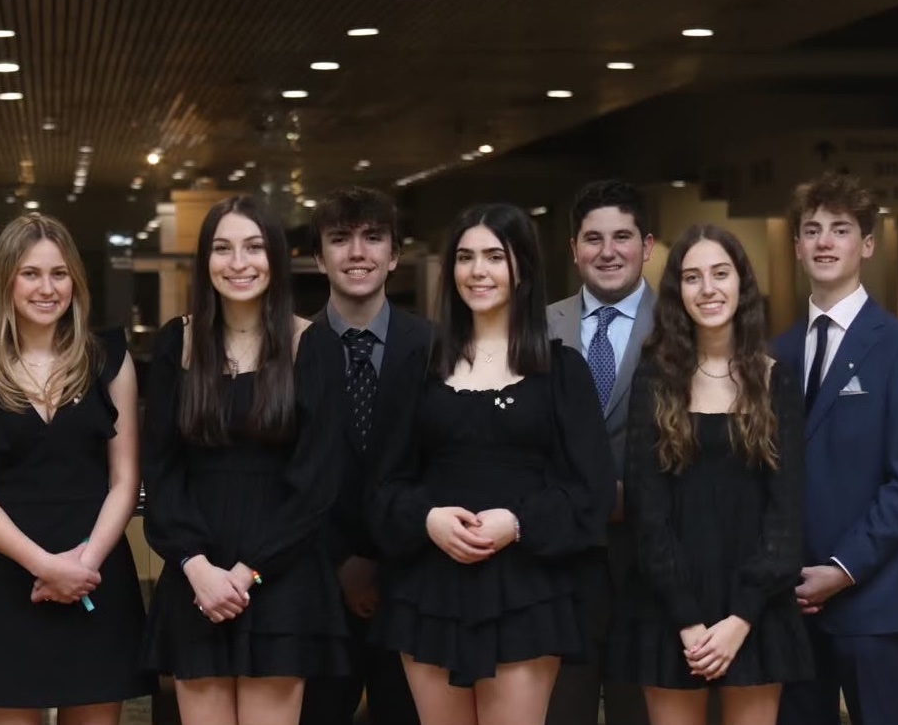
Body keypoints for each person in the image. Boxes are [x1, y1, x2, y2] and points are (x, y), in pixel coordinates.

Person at [369, 203, 613, 725]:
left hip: (528, 589)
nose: (477, 271)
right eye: (465, 257)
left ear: (522, 267)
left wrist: (518, 523)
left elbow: (589, 492)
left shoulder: (562, 371)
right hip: (430, 587)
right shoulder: (418, 368)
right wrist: (427, 519)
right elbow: (383, 486)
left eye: (494, 257)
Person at [141, 195, 349, 725]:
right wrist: (197, 567)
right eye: (223, 248)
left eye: (254, 248)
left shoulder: (313, 345)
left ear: (276, 257)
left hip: (282, 577)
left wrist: (247, 571)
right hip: (197, 578)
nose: (239, 263)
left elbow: (317, 484)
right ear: (205, 260)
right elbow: (161, 471)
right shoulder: (177, 342)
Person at [0, 213, 152, 724]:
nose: (47, 288)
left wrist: (82, 566)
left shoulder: (109, 359)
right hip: (5, 577)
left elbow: (125, 481)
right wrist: (46, 567)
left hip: (95, 575)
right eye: (31, 274)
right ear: (6, 281)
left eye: (59, 274)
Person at [608, 225, 812, 725]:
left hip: (755, 609)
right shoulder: (654, 379)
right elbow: (647, 514)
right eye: (692, 277)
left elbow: (786, 517)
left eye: (720, 274)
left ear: (742, 283)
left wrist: (741, 619)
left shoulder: (776, 380)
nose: (708, 289)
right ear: (678, 292)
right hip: (670, 609)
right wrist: (688, 622)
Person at [775, 175, 898, 725]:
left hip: (872, 598)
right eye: (812, 230)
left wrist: (842, 569)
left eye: (840, 230)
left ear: (867, 245)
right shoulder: (775, 354)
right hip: (791, 599)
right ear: (797, 247)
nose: (824, 242)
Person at [299, 186, 425, 725]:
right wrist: (342, 564)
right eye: (339, 239)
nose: (357, 252)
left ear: (394, 255)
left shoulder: (436, 347)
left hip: (413, 585)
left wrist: (376, 560)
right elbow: (285, 472)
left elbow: (441, 466)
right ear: (318, 257)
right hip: (314, 591)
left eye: (373, 238)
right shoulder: (291, 348)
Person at [543, 179, 656, 725]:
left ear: (647, 246)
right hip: (559, 564)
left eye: (622, 237)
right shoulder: (537, 328)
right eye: (593, 239)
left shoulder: (685, 324)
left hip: (654, 565)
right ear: (574, 249)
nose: (608, 252)